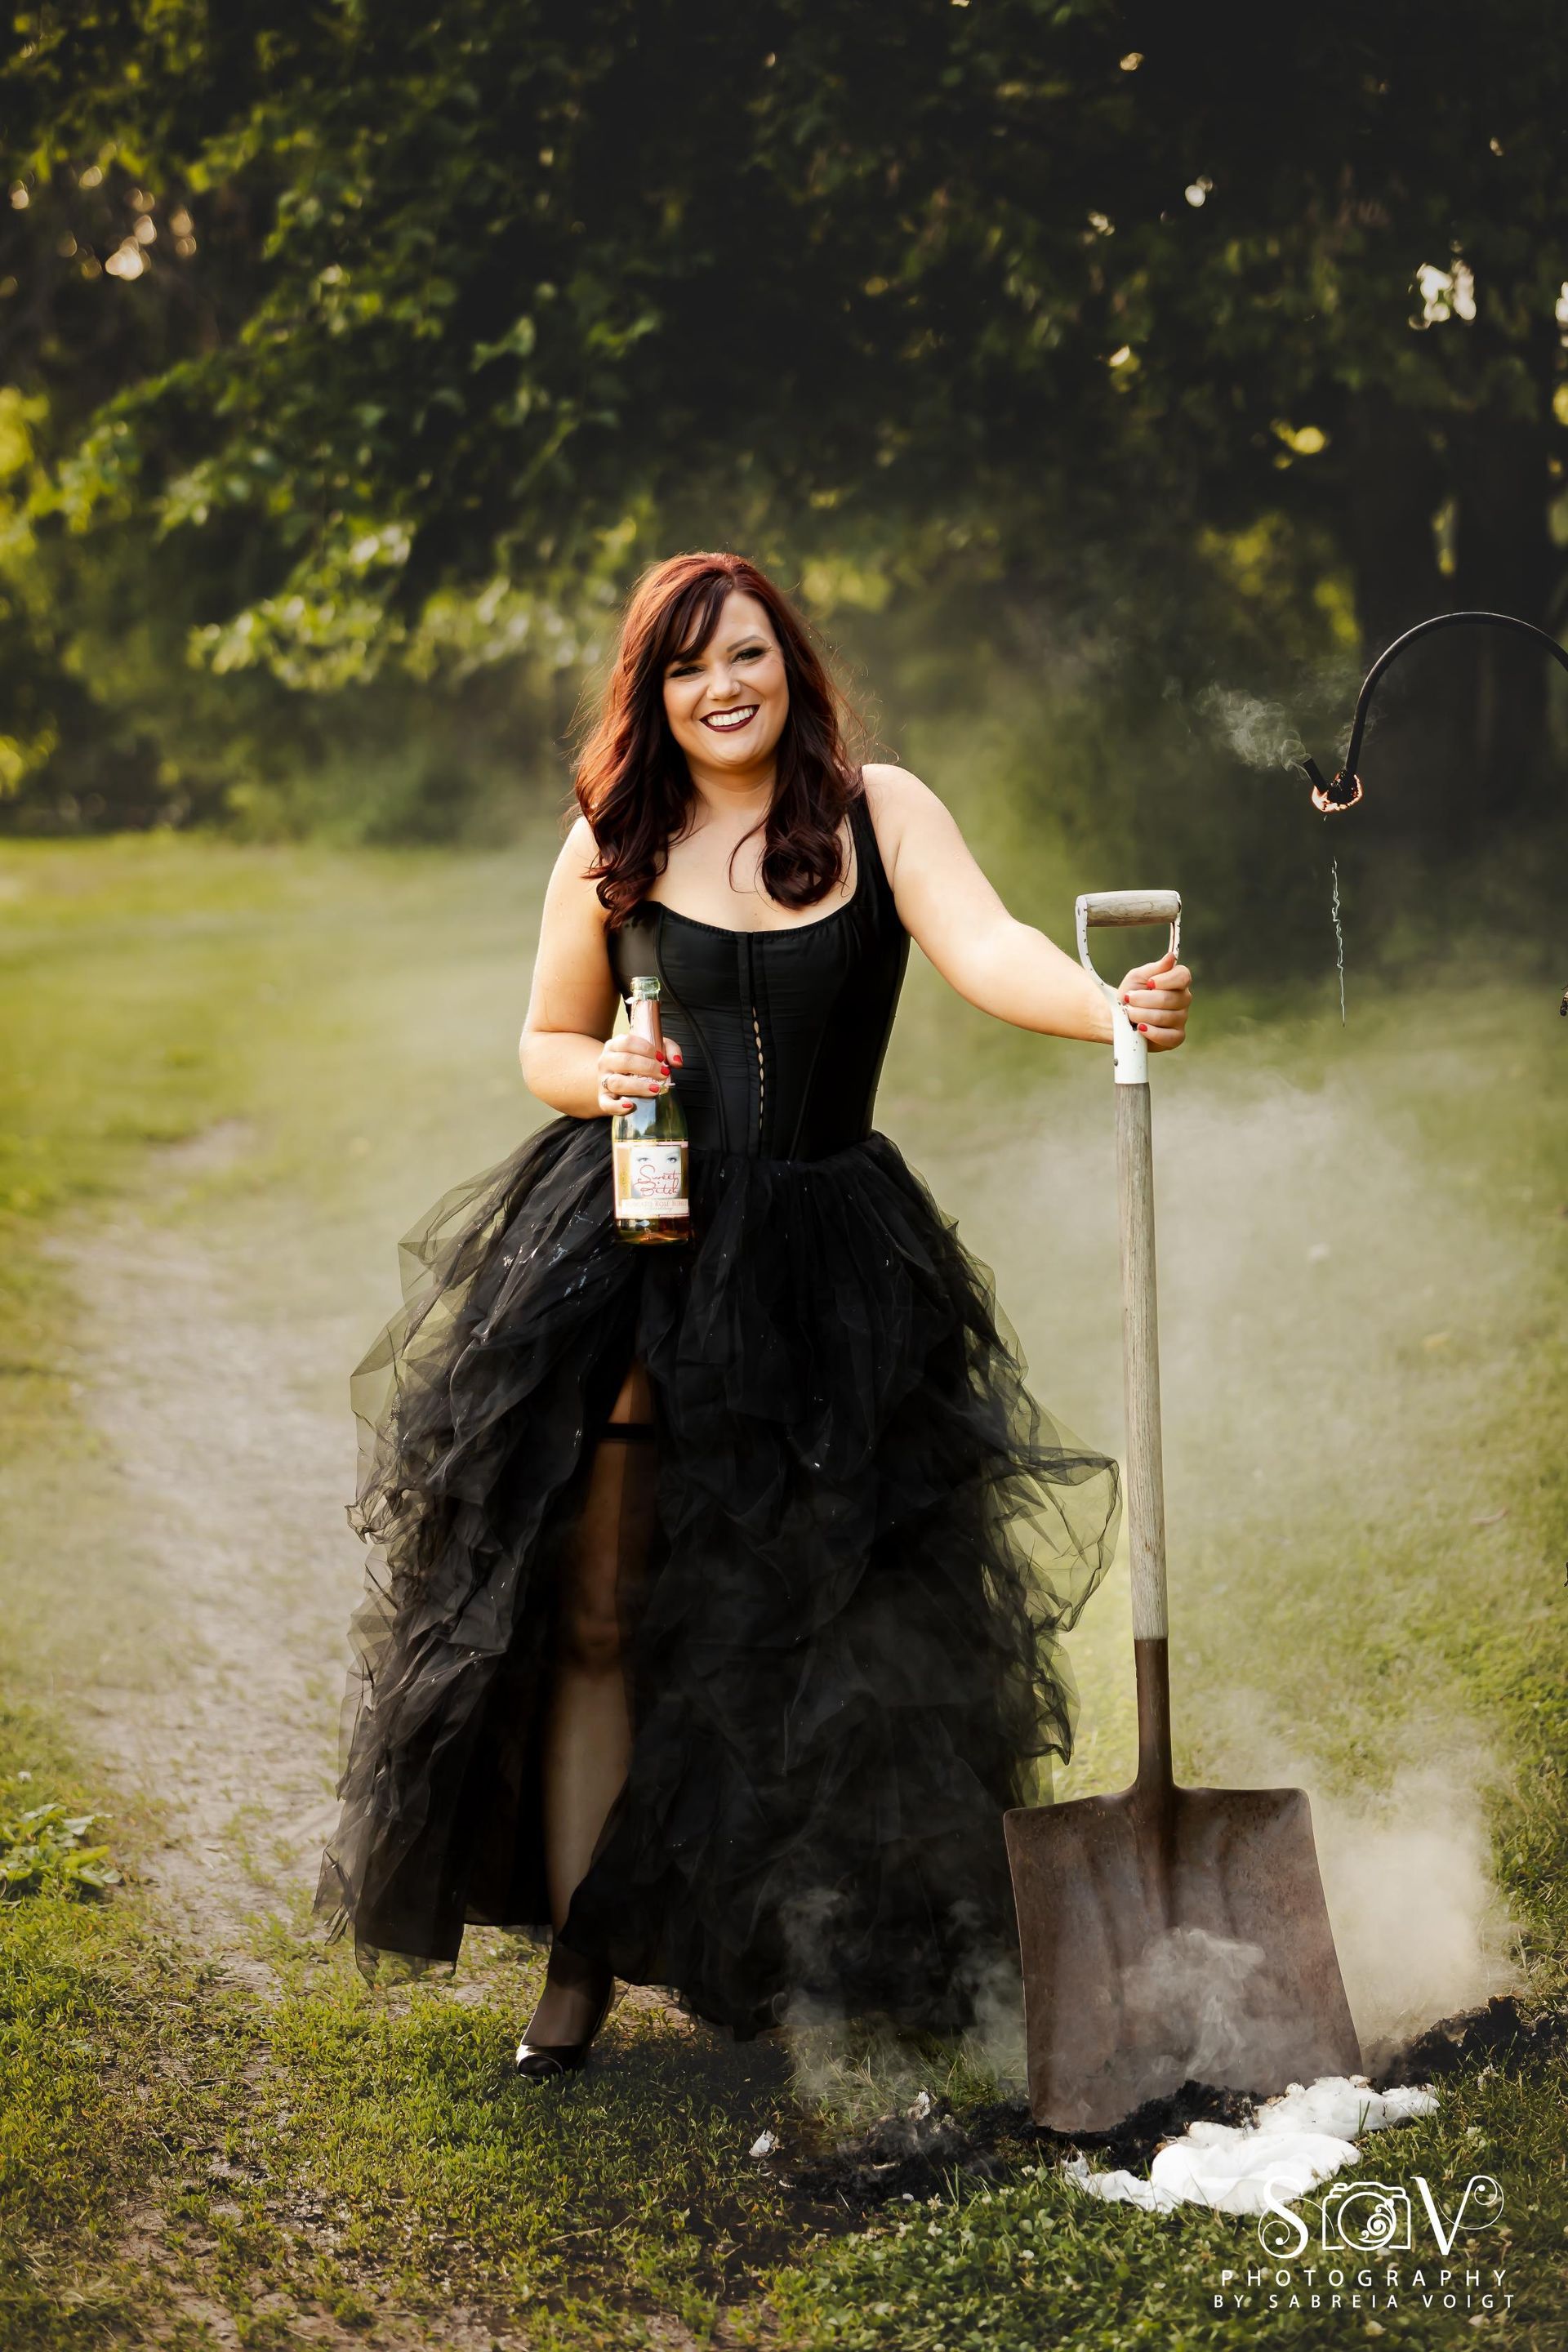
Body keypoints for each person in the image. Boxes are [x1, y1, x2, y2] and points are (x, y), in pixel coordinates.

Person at [317, 551, 1192, 2081]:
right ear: (651, 691)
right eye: (687, 666)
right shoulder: (614, 833)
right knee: (596, 1610)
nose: (723, 687)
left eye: (747, 655)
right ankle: (581, 1960)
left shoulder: (879, 809)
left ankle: (834, 1950)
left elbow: (986, 951)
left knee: (835, 1618)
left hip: (831, 1259)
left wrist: (1109, 1008)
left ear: (791, 661)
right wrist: (606, 1080)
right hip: (638, 1244)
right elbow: (546, 1036)